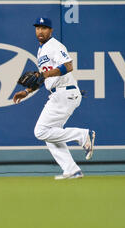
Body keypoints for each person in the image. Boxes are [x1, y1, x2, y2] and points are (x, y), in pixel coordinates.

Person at [13, 17, 96, 180]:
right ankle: (72, 170)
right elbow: (42, 77)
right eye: (37, 28)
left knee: (41, 131)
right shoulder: (41, 49)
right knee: (50, 135)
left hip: (65, 93)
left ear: (50, 31)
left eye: (44, 28)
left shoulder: (54, 46)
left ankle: (83, 135)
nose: (40, 31)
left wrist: (44, 74)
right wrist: (28, 91)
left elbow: (68, 66)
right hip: (61, 93)